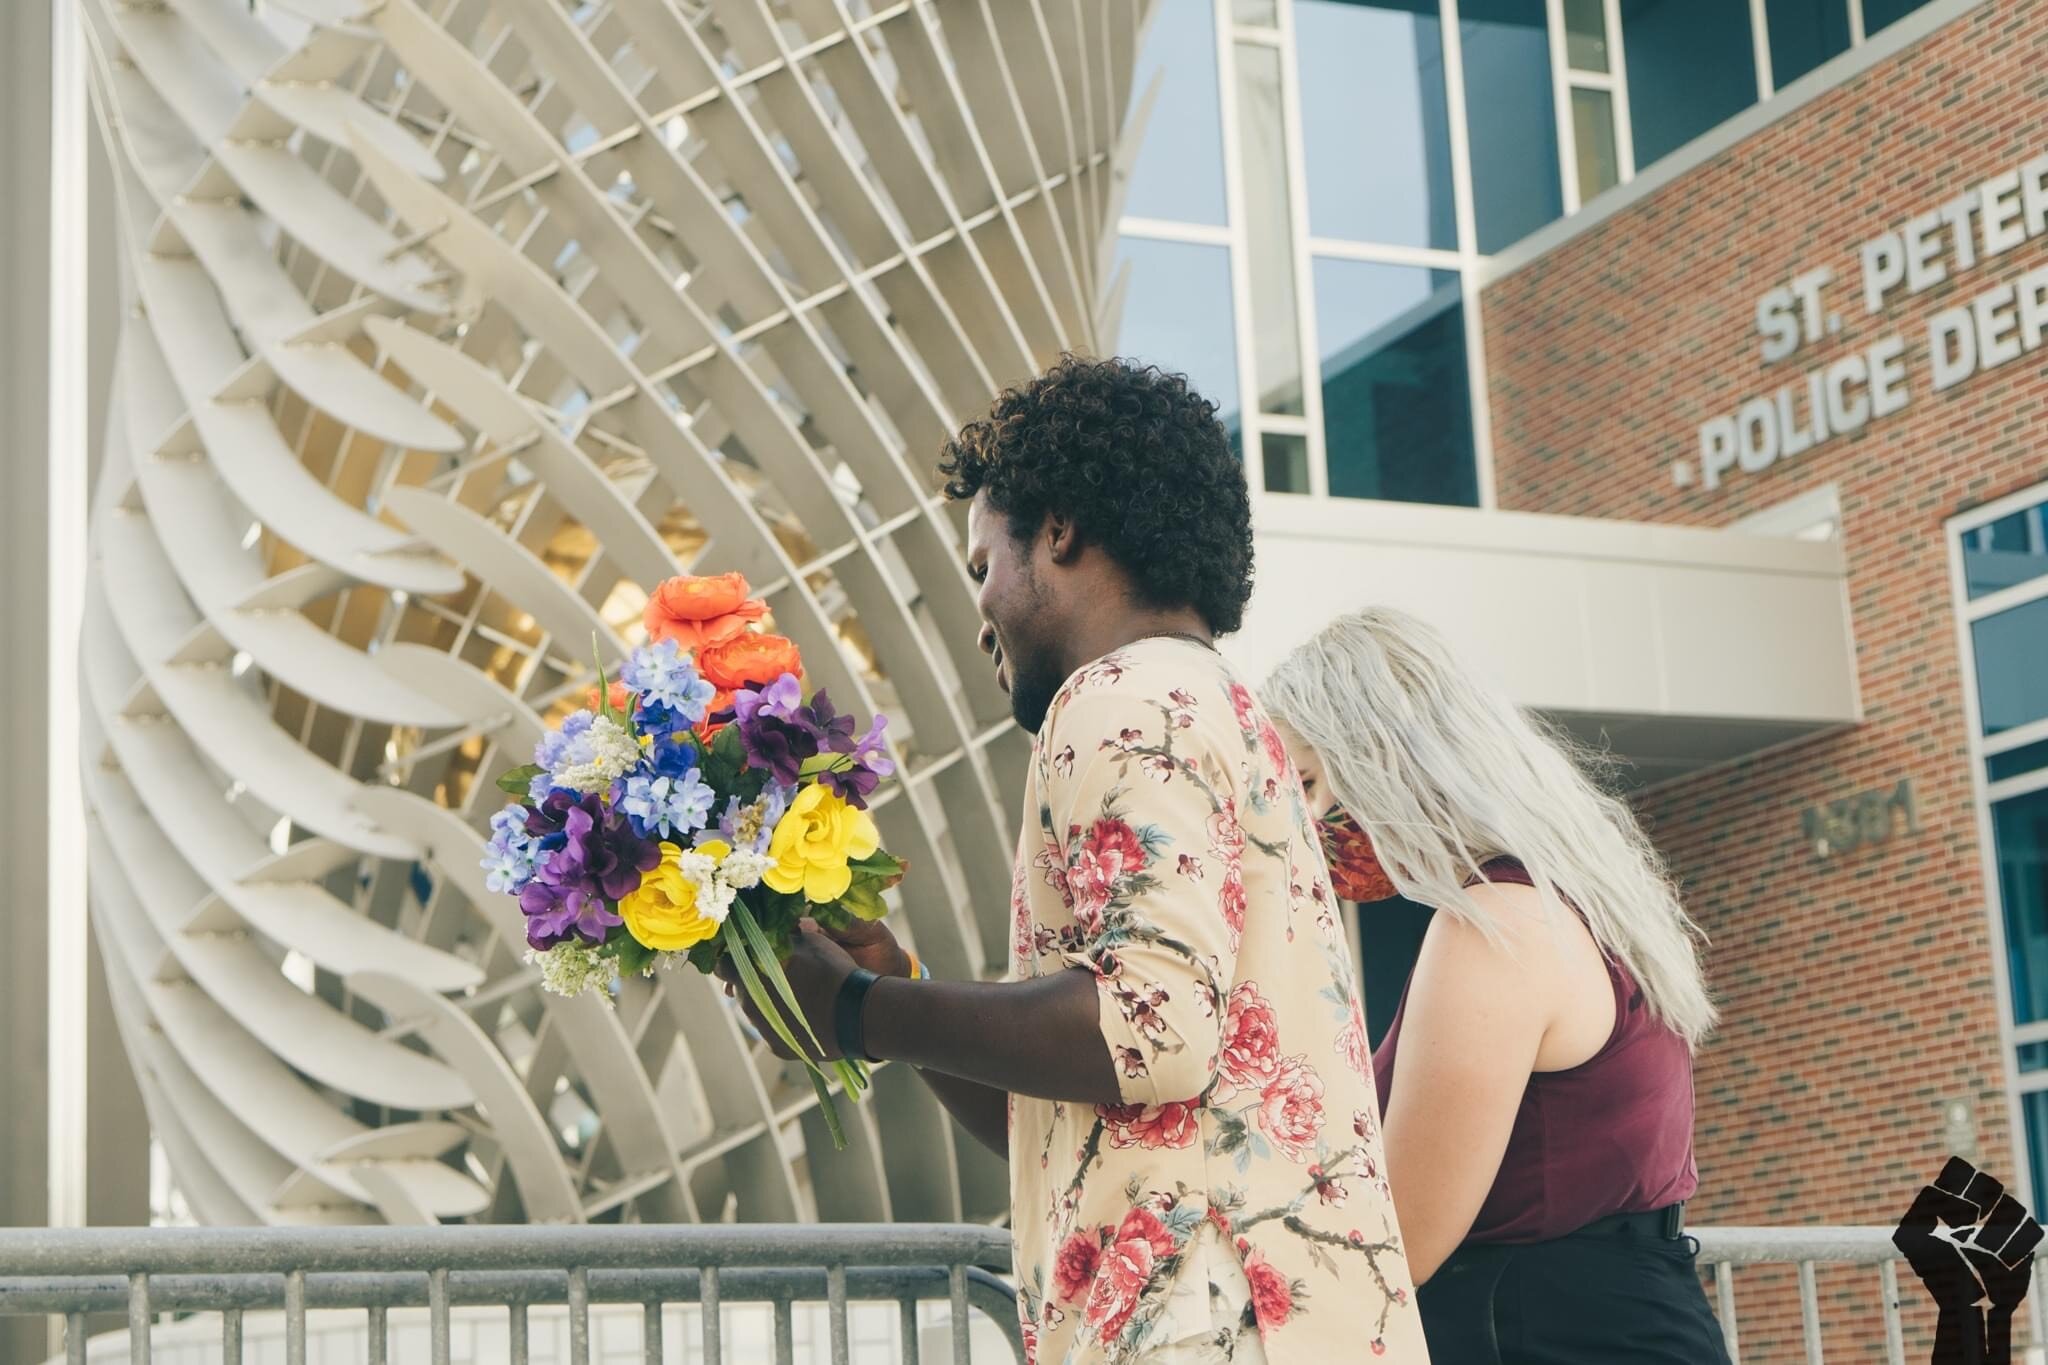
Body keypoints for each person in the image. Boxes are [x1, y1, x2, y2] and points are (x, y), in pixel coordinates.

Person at [722, 358, 1429, 1363]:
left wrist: (851, 1015)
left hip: (1199, 1320)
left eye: (980, 567)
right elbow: (1073, 1115)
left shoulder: (1112, 700)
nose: (979, 618)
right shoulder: (1223, 713)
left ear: (1056, 530)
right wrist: (895, 991)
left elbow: (1148, 1032)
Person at [1260, 607, 1731, 1365]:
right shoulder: (1578, 901)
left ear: (1377, 754)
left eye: (1308, 781)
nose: (1307, 821)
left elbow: (1398, 1239)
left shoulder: (1492, 928)